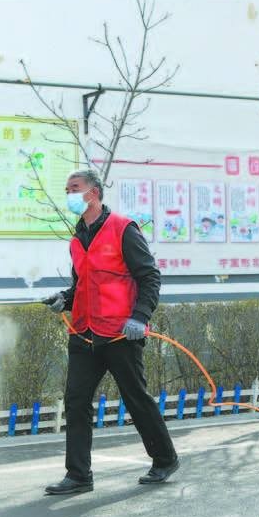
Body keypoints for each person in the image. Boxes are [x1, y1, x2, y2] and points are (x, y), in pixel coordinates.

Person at [41, 170, 180, 494]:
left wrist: (140, 317)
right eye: (67, 189)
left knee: (135, 398)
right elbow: (83, 285)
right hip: (84, 332)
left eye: (74, 188)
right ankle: (78, 475)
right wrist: (64, 299)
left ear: (94, 192)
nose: (69, 194)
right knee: (76, 401)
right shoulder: (77, 239)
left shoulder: (123, 228)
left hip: (121, 333)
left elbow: (150, 277)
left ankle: (165, 459)